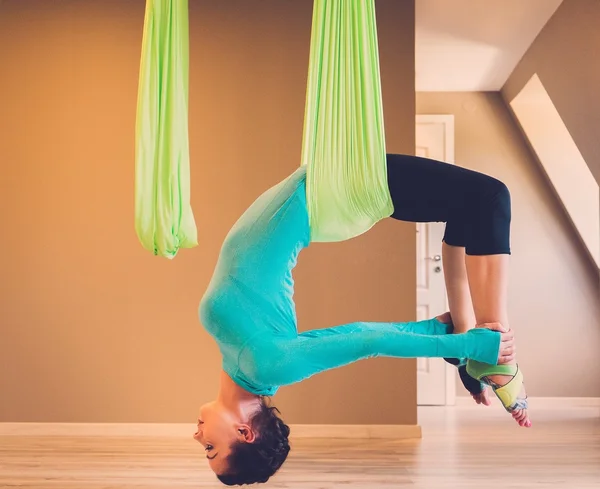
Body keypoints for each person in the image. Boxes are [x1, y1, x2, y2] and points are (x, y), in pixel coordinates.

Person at [194, 153, 529, 486]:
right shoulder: (267, 368)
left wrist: (453, 342)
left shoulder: (251, 368)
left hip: (321, 190)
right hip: (329, 191)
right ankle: (492, 360)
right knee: (490, 197)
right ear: (244, 432)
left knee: (470, 206)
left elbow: (356, 334)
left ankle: (470, 351)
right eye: (210, 447)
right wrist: (471, 344)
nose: (197, 437)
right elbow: (366, 339)